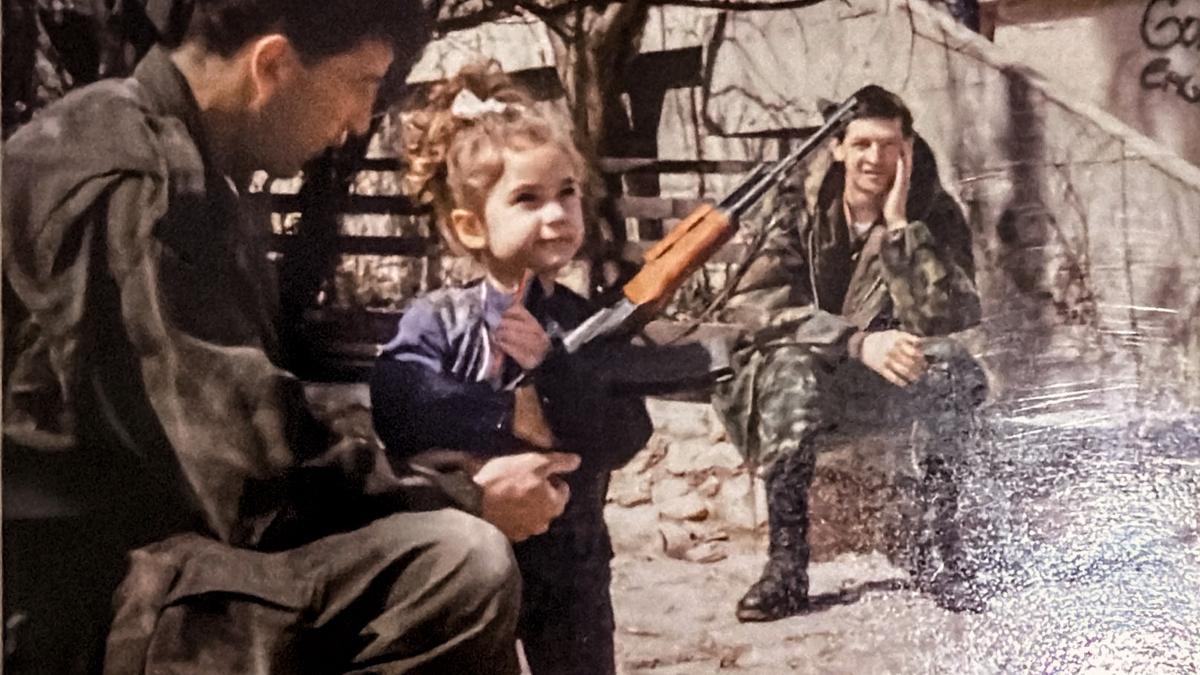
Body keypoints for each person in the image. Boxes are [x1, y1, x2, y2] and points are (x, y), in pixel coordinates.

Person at [1, 2, 575, 672]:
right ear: (272, 63)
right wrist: (467, 494)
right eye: (362, 81)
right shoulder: (142, 184)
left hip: (118, 563)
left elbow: (245, 409)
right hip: (61, 607)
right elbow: (255, 482)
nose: (362, 120)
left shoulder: (145, 142)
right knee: (457, 567)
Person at [370, 63, 654, 675]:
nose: (556, 215)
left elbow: (629, 431)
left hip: (573, 561)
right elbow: (400, 399)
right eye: (527, 199)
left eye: (567, 193)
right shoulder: (439, 318)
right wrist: (505, 418)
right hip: (472, 551)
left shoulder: (588, 323)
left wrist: (554, 370)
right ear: (470, 224)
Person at [712, 85, 988, 622]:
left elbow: (949, 317)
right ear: (837, 148)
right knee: (792, 368)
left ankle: (939, 550)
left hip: (874, 384)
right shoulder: (796, 207)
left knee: (954, 367)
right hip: (791, 381)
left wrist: (902, 228)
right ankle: (786, 567)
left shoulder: (933, 211)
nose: (874, 158)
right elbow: (755, 307)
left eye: (889, 145)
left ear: (907, 148)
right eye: (861, 144)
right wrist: (857, 342)